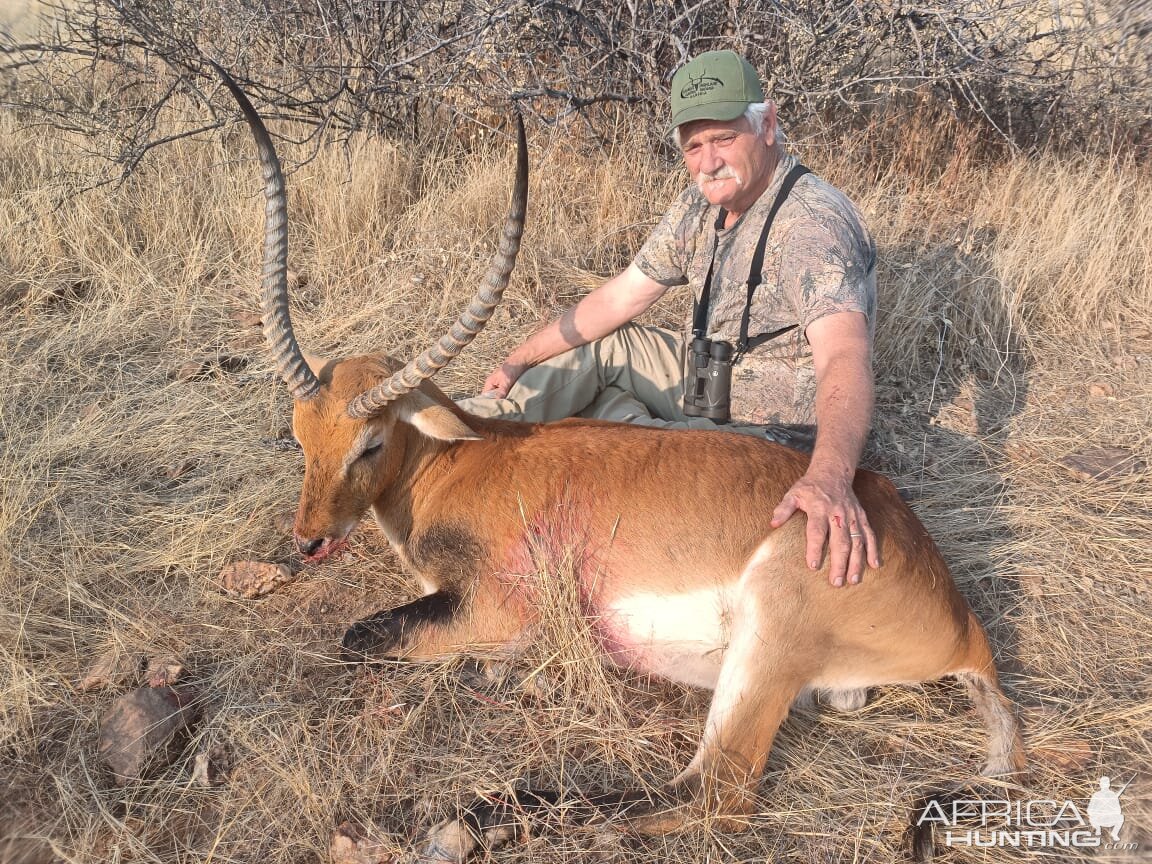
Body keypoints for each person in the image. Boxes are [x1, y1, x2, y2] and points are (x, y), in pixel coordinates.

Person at [459, 50, 880, 588]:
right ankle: (452, 435)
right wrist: (520, 358)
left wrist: (829, 476)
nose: (707, 162)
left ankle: (491, 473)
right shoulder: (701, 204)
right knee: (600, 350)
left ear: (767, 124)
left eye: (724, 138)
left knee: (605, 428)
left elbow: (845, 355)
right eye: (693, 146)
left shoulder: (811, 227)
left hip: (764, 438)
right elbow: (621, 298)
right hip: (709, 382)